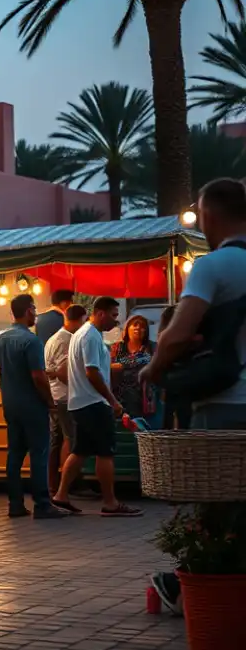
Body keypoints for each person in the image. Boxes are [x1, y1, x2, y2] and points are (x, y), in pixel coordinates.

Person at [142, 178, 246, 614]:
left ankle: (199, 597)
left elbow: (177, 335)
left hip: (225, 405)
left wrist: (153, 368)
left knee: (215, 510)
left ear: (207, 215)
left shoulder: (213, 266)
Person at [53, 296, 142, 517]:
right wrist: (112, 400)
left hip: (80, 402)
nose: (116, 320)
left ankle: (61, 495)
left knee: (80, 450)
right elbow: (92, 371)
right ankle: (110, 502)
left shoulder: (81, 334)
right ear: (100, 313)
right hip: (93, 402)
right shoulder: (91, 336)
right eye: (113, 315)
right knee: (105, 452)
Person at [0, 295, 64, 519]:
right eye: (34, 309)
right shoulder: (32, 341)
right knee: (39, 453)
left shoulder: (2, 339)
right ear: (28, 311)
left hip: (10, 404)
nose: (36, 313)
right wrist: (50, 402)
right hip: (32, 405)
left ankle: (15, 504)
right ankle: (42, 504)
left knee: (14, 453)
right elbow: (38, 376)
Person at [44, 304, 88, 497]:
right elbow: (63, 373)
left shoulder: (52, 339)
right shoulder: (68, 340)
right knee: (70, 439)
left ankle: (52, 484)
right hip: (66, 396)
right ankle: (67, 485)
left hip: (55, 396)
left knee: (55, 441)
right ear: (79, 320)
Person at [111, 314, 155, 421]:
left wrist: (120, 365)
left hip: (143, 398)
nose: (138, 328)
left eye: (142, 326)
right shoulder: (117, 347)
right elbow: (109, 366)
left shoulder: (151, 348)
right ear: (127, 328)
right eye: (135, 325)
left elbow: (145, 359)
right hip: (118, 397)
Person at [156, 306, 191, 431]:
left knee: (170, 419)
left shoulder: (163, 337)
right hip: (179, 382)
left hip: (171, 383)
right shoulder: (179, 336)